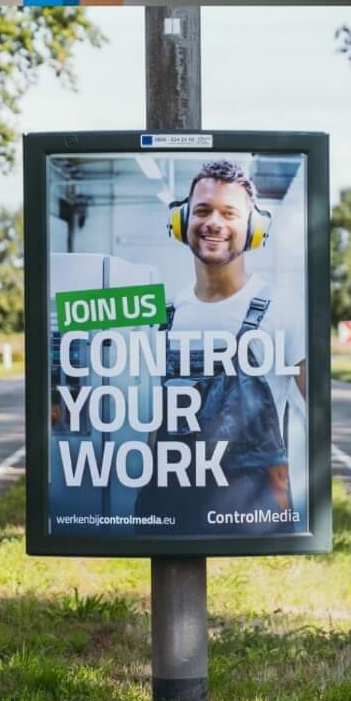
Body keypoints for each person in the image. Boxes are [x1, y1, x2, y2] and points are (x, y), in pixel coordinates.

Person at [135, 159, 306, 532]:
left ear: (254, 228)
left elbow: (323, 416)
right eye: (202, 210)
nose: (214, 222)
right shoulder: (165, 314)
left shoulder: (285, 310)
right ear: (182, 222)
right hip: (171, 516)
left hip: (251, 523)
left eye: (229, 213)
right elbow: (155, 428)